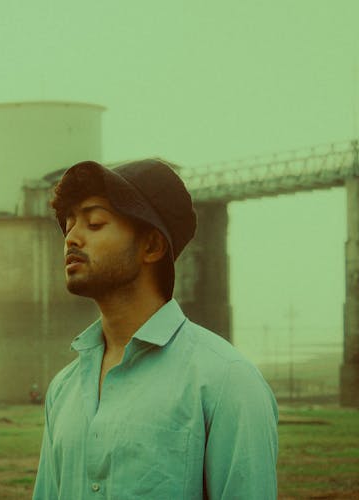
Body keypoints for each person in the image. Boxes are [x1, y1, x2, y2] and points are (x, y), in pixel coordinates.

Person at [32, 159, 278, 499]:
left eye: (95, 222)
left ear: (151, 246)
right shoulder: (63, 389)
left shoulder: (226, 381)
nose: (71, 237)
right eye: (69, 224)